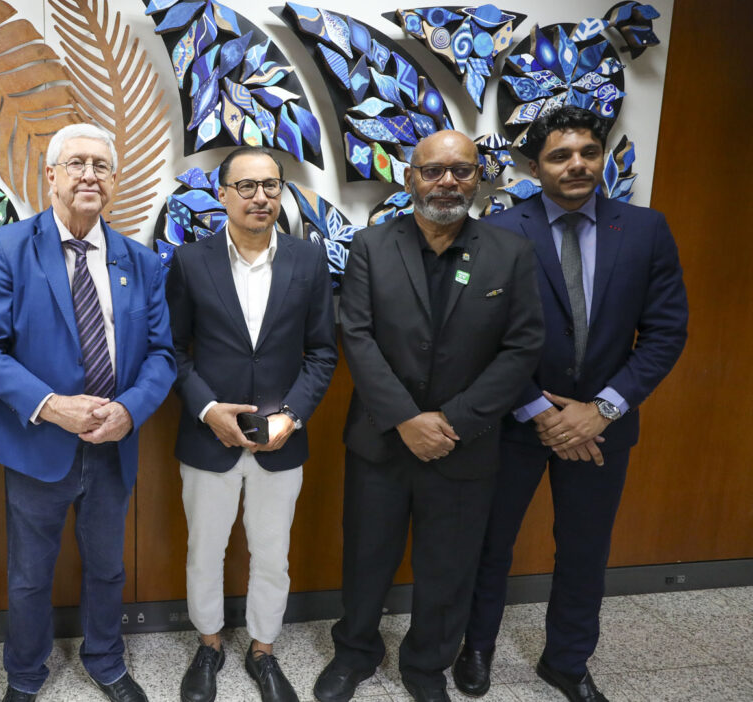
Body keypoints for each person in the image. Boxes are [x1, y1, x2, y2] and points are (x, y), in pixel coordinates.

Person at [454, 107, 688, 702]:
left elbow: (666, 332)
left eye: (588, 152)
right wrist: (540, 410)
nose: (577, 164)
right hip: (513, 422)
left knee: (585, 551)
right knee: (489, 545)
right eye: (560, 155)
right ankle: (476, 648)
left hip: (602, 429)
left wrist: (602, 408)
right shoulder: (498, 231)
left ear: (602, 157)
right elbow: (478, 334)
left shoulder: (645, 229)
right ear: (535, 168)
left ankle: (567, 661)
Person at [315, 131, 544, 702]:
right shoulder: (370, 246)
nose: (447, 182)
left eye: (462, 171)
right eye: (433, 170)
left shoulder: (511, 252)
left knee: (449, 566)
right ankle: (356, 652)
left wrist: (453, 421)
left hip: (463, 444)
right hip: (381, 439)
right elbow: (357, 337)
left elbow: (522, 348)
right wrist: (406, 419)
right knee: (367, 557)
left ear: (478, 178)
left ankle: (426, 667)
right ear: (410, 177)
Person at [0, 123, 176, 702]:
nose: (89, 174)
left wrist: (130, 411)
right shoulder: (9, 248)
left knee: (108, 569)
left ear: (114, 180)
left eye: (101, 166)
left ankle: (106, 661)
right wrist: (51, 406)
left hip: (112, 446)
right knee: (30, 576)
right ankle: (25, 674)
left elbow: (162, 354)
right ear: (51, 175)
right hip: (37, 445)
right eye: (77, 163)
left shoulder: (141, 261)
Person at [166, 146, 338, 702]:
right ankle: (209, 644)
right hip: (207, 437)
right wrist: (207, 410)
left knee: (272, 554)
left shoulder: (308, 260)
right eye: (246, 186)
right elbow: (172, 351)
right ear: (222, 195)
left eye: (270, 185)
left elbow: (322, 352)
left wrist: (292, 416)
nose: (260, 196)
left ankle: (263, 650)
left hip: (280, 440)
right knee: (205, 551)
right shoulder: (190, 261)